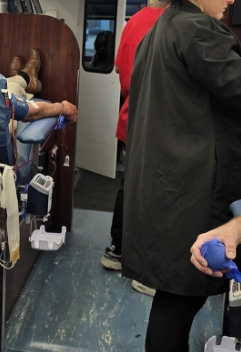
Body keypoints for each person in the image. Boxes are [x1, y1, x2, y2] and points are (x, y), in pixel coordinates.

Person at [120, 0, 241, 352]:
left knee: (177, 291)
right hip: (194, 186)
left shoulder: (160, 30)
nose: (230, 1)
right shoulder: (198, 31)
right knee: (182, 294)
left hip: (167, 181)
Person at [99, 0, 168, 298]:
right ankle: (147, 271)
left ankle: (117, 250)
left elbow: (119, 68)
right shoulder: (175, 22)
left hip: (133, 116)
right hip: (159, 122)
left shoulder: (135, 21)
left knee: (130, 185)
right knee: (158, 191)